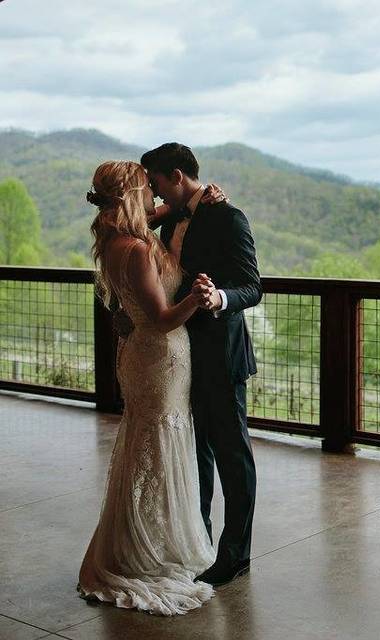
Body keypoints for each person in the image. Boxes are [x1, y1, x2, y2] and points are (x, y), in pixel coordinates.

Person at [78, 161, 216, 615]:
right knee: (158, 446)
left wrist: (188, 206)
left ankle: (138, 540)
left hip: (139, 356)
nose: (154, 198)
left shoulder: (115, 242)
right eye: (146, 192)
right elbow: (159, 320)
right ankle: (148, 550)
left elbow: (133, 308)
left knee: (145, 443)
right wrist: (195, 300)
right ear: (133, 196)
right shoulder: (137, 249)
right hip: (159, 355)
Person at [140, 142, 262, 587]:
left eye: (155, 182)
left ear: (175, 175)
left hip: (220, 354)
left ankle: (236, 554)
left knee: (233, 454)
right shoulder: (170, 215)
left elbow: (252, 285)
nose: (152, 191)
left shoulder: (229, 217)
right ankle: (200, 540)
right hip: (178, 353)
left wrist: (219, 298)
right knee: (198, 453)